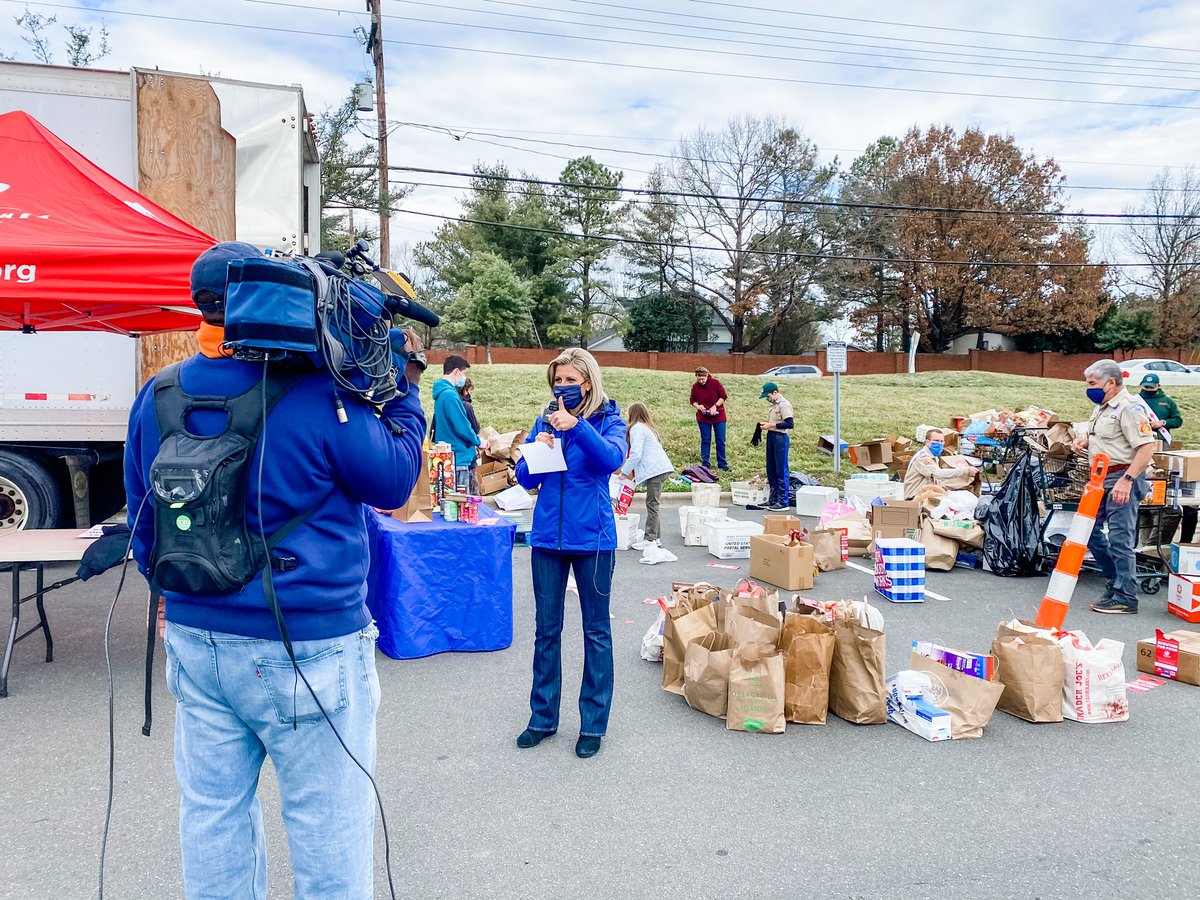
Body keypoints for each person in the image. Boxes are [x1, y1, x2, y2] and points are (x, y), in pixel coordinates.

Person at [124, 242, 427, 897]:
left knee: (213, 815)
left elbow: (143, 522)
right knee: (327, 826)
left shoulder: (159, 394)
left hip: (196, 640)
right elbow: (395, 481)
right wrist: (403, 388)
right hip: (308, 644)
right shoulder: (319, 395)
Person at [514, 348, 626, 759]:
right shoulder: (545, 420)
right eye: (557, 380)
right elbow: (525, 479)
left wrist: (576, 427)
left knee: (596, 631)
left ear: (588, 383)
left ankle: (593, 724)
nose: (562, 387)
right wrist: (537, 446)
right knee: (546, 630)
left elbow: (611, 460)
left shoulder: (609, 421)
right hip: (547, 539)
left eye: (570, 380)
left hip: (593, 539)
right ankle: (542, 719)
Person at [1071, 359, 1157, 614]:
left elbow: (1146, 448)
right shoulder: (1103, 407)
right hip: (1100, 478)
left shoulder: (1129, 408)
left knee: (1120, 538)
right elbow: (1109, 438)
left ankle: (1125, 596)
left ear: (1110, 382)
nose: (1089, 388)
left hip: (1122, 476)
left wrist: (1127, 480)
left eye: (1092, 383)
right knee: (1088, 531)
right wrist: (1085, 441)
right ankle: (1115, 580)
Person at [1137, 374, 1195, 542]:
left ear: (1158, 386)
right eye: (1146, 386)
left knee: (1160, 477)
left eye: (1151, 387)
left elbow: (1177, 420)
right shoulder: (1135, 401)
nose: (1148, 389)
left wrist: (1163, 423)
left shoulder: (1167, 401)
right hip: (1142, 442)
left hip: (1161, 444)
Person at [620, 401, 674, 549]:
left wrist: (624, 472)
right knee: (653, 504)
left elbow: (636, 454)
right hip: (659, 468)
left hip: (655, 470)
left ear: (632, 414)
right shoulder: (647, 428)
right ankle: (656, 538)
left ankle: (650, 539)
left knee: (652, 504)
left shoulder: (636, 428)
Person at [432, 354, 487, 494]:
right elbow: (462, 427)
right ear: (456, 371)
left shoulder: (441, 394)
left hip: (448, 457)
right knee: (461, 502)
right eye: (463, 373)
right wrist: (479, 441)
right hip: (458, 458)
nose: (464, 377)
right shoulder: (450, 395)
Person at [904, 428, 977, 499]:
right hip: (915, 496)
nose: (939, 444)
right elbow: (938, 474)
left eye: (942, 441)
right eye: (936, 441)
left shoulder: (933, 456)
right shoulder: (923, 457)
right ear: (927, 442)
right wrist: (965, 471)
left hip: (926, 490)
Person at [758, 381, 793, 511]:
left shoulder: (784, 405)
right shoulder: (774, 405)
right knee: (771, 469)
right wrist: (766, 424)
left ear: (775, 392)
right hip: (772, 436)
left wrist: (771, 425)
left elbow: (789, 424)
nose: (767, 399)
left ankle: (783, 501)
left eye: (768, 396)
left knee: (780, 469)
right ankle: (773, 499)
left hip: (780, 437)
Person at [689, 367, 728, 471]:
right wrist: (698, 407)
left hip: (718, 416)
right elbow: (692, 400)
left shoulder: (715, 383)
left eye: (702, 379)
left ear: (707, 376)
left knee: (720, 440)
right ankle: (705, 463)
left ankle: (722, 464)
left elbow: (723, 396)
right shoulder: (695, 387)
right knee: (705, 440)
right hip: (703, 417)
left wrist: (715, 406)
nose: (701, 381)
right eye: (699, 379)